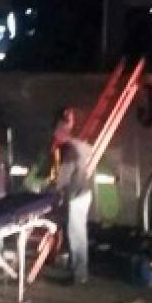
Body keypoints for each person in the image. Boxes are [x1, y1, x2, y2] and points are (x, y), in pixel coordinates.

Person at [51, 110, 94, 285]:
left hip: (76, 195)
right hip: (85, 192)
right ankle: (79, 272)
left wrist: (52, 188)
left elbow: (63, 177)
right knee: (80, 235)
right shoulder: (79, 145)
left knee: (76, 237)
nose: (55, 137)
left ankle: (78, 275)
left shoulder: (68, 150)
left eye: (56, 133)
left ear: (61, 132)